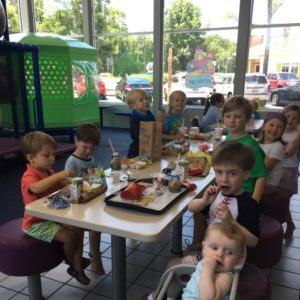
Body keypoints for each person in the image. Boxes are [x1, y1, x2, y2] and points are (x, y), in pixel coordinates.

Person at [140, 141, 259, 300]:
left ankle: (156, 297)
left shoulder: (248, 204)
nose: (224, 179)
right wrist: (204, 201)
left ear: (246, 174)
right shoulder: (217, 194)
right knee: (173, 263)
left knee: (172, 266)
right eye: (219, 172)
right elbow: (191, 208)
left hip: (226, 260)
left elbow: (253, 241)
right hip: (207, 251)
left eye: (232, 173)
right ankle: (165, 295)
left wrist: (232, 222)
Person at [21, 131, 90, 285]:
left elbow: (59, 185)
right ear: (31, 158)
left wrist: (74, 181)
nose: (52, 159)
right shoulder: (29, 176)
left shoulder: (48, 171)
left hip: (52, 216)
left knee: (78, 228)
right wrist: (59, 175)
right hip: (36, 223)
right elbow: (37, 188)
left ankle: (76, 264)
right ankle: (73, 262)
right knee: (69, 237)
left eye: (53, 154)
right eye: (47, 155)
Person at [65, 123, 105, 275]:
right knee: (80, 231)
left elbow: (94, 177)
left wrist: (97, 177)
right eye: (85, 147)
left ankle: (96, 255)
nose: (88, 151)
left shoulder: (91, 158)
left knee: (97, 228)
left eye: (92, 148)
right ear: (76, 141)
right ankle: (78, 261)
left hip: (91, 201)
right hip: (78, 204)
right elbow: (68, 185)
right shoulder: (72, 161)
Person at [182, 222, 246, 300]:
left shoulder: (225, 277)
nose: (219, 254)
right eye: (215, 248)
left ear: (238, 259)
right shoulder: (204, 264)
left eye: (229, 252)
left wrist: (208, 270)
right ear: (203, 248)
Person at [279, 104, 300, 239]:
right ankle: (287, 224)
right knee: (279, 202)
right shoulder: (279, 131)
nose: (290, 120)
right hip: (276, 170)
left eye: (295, 119)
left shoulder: (295, 136)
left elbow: (287, 153)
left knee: (282, 201)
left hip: (287, 173)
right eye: (287, 117)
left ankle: (289, 224)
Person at [259, 112, 287, 194]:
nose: (274, 129)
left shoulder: (278, 146)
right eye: (271, 125)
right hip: (259, 181)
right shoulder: (258, 144)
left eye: (279, 127)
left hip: (269, 185)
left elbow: (265, 169)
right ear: (264, 127)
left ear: (283, 131)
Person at [126, 89, 155, 158]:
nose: (146, 101)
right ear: (134, 106)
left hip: (149, 144)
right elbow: (135, 134)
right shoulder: (135, 116)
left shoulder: (149, 113)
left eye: (146, 99)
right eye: (141, 100)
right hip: (138, 147)